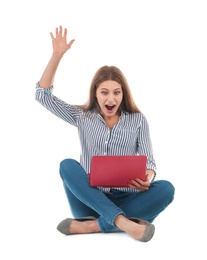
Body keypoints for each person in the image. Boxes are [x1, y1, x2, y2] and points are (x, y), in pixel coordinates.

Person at [35, 25, 175, 242]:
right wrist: (56, 55)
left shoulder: (138, 120)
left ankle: (94, 226)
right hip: (90, 200)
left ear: (123, 94)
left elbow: (150, 162)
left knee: (166, 189)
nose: (111, 99)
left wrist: (147, 178)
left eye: (116, 93)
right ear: (96, 93)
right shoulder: (82, 116)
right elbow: (43, 97)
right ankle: (124, 223)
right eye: (105, 92)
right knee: (67, 165)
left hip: (129, 198)